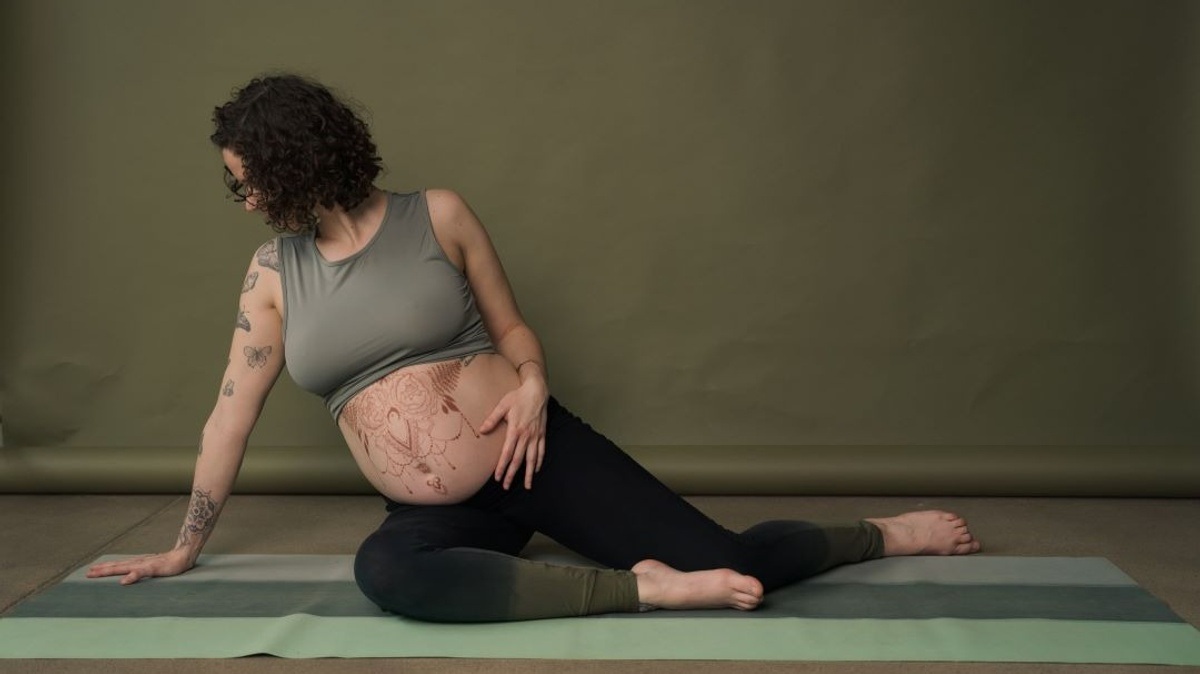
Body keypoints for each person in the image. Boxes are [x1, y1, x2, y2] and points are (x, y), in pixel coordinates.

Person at [86, 73, 981, 622]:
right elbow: (226, 419)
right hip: (445, 512)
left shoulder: (437, 215)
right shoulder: (271, 276)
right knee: (387, 572)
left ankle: (877, 535)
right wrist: (183, 547)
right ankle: (647, 592)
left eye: (245, 182)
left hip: (533, 452)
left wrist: (532, 385)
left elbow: (513, 330)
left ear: (294, 163)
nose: (240, 201)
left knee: (739, 563)